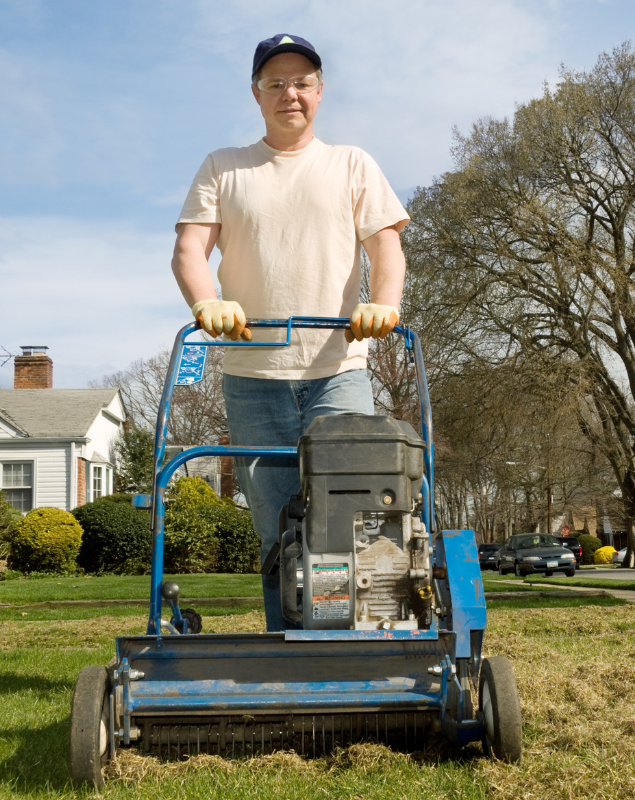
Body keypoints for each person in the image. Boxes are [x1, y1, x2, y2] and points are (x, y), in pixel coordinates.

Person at [171, 33, 409, 631]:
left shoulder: (352, 163)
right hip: (254, 376)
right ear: (257, 94)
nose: (289, 94)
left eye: (301, 82)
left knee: (355, 515)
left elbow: (388, 248)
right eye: (275, 83)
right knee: (276, 526)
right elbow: (189, 250)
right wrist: (209, 303)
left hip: (339, 369)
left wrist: (382, 304)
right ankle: (287, 644)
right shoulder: (223, 167)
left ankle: (368, 641)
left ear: (320, 92)